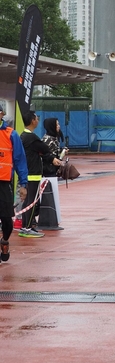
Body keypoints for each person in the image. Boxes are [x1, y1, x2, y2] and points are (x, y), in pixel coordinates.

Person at [20, 110, 62, 237]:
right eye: (36, 118)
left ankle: (25, 226)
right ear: (32, 121)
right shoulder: (32, 138)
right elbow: (45, 149)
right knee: (32, 202)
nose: (38, 120)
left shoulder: (23, 136)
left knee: (27, 201)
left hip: (27, 172)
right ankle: (28, 228)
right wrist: (51, 158)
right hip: (33, 173)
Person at [0, 106, 28, 263]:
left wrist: (23, 184)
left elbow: (20, 160)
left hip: (4, 184)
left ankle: (4, 240)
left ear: (2, 114)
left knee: (6, 220)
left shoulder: (11, 134)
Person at [41, 117, 68, 225]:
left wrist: (62, 154)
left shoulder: (54, 138)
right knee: (47, 194)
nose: (59, 126)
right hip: (47, 171)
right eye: (57, 124)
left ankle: (53, 216)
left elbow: (55, 156)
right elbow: (45, 156)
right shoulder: (47, 140)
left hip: (52, 170)